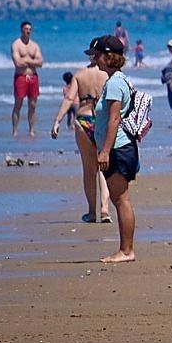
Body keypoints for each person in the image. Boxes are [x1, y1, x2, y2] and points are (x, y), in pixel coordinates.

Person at [91, 36, 139, 264]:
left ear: (109, 57)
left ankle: (126, 250)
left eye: (97, 55)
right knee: (120, 199)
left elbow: (114, 119)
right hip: (120, 147)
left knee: (121, 200)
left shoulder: (114, 84)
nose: (94, 59)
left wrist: (105, 151)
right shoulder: (118, 80)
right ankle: (125, 249)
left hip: (118, 148)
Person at [59, 39, 110, 223]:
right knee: (104, 167)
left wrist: (57, 121)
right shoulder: (108, 75)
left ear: (90, 55)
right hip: (102, 121)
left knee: (89, 170)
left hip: (83, 120)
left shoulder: (80, 75)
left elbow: (69, 99)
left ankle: (91, 212)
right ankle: (105, 209)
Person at [10, 20, 44, 137]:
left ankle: (31, 130)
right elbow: (18, 63)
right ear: (21, 30)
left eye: (30, 29)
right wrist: (32, 61)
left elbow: (40, 63)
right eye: (26, 29)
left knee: (33, 105)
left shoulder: (34, 46)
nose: (28, 31)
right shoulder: (16, 44)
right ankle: (15, 130)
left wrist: (26, 60)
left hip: (33, 77)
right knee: (18, 104)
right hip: (21, 77)